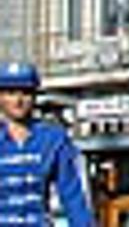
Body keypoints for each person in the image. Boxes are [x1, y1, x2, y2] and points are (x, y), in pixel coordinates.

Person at [0, 61, 94, 227]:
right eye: (10, 92)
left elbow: (72, 195)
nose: (18, 100)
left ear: (35, 96)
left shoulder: (53, 139)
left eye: (26, 92)